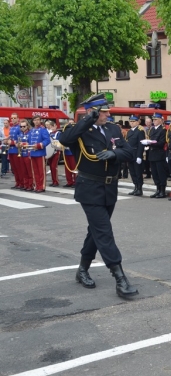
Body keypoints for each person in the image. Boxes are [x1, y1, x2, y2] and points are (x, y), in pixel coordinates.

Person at [58, 93, 138, 298]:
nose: (108, 114)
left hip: (109, 188)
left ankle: (82, 269)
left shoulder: (112, 128)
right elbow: (65, 140)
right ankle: (120, 277)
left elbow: (129, 152)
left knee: (96, 231)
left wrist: (115, 154)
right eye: (103, 111)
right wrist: (88, 119)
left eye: (107, 111)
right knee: (104, 231)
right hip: (90, 188)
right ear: (93, 112)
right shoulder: (78, 130)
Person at [142, 113, 167, 198]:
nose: (154, 121)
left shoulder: (163, 130)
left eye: (156, 119)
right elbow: (149, 139)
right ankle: (158, 190)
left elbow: (161, 143)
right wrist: (147, 143)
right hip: (152, 154)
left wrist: (151, 143)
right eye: (153, 120)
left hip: (159, 154)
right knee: (155, 174)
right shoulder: (151, 130)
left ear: (160, 120)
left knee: (161, 173)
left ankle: (162, 191)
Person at [126, 115, 145, 196]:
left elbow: (141, 144)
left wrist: (139, 156)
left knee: (138, 172)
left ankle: (139, 189)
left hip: (136, 153)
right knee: (132, 172)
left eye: (133, 121)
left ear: (137, 122)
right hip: (130, 154)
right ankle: (135, 187)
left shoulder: (140, 131)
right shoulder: (129, 131)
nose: (132, 123)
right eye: (131, 121)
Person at [7, 114, 24, 189]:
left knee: (19, 168)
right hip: (11, 150)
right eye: (12, 118)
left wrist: (12, 142)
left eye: (14, 118)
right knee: (14, 168)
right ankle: (17, 182)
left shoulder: (19, 127)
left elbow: (21, 138)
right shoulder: (11, 127)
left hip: (17, 150)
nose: (13, 119)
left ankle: (22, 183)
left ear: (18, 119)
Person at [62, 120, 77, 188]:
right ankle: (69, 181)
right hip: (66, 152)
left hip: (72, 152)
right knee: (67, 169)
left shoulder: (76, 132)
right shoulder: (65, 131)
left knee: (74, 168)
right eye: (69, 123)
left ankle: (75, 182)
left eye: (72, 123)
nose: (70, 124)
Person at [46, 120, 61, 187]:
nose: (52, 127)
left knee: (53, 166)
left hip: (56, 152)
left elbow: (58, 141)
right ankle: (53, 181)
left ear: (56, 126)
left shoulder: (58, 133)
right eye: (51, 126)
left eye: (53, 126)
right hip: (51, 152)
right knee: (51, 167)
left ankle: (56, 181)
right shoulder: (50, 133)